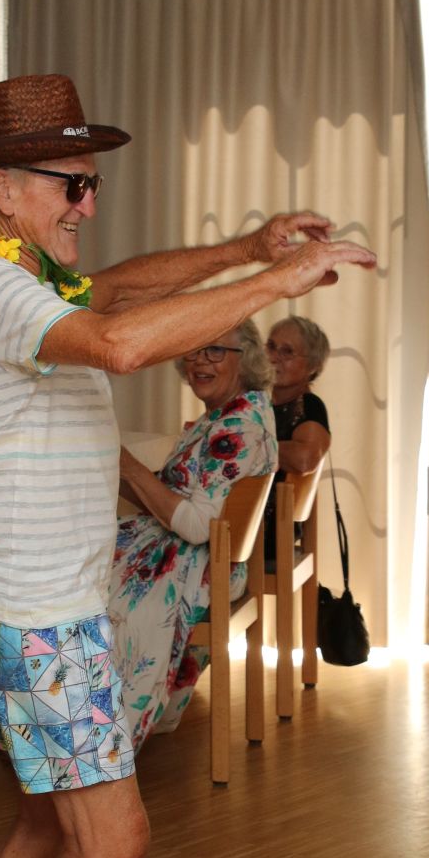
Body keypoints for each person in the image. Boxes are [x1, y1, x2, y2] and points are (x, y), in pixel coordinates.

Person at [0, 72, 375, 858]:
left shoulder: (17, 269)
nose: (88, 203)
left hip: (17, 599)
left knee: (48, 822)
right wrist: (283, 275)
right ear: (1, 187)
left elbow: (122, 289)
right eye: (70, 184)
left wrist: (243, 248)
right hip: (35, 616)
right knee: (115, 841)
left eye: (91, 183)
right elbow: (124, 343)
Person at [110, 321, 276, 751]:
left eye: (215, 351)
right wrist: (109, 467)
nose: (200, 361)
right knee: (80, 560)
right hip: (194, 554)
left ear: (245, 360)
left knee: (80, 591)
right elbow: (169, 501)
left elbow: (198, 526)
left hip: (205, 565)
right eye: (193, 350)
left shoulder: (238, 427)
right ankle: (77, 721)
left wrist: (129, 467)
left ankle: (97, 734)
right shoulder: (224, 415)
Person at [262, 315, 333, 566]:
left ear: (312, 366)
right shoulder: (259, 404)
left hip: (265, 534)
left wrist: (247, 447)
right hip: (245, 527)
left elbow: (304, 459)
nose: (273, 357)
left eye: (287, 351)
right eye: (271, 347)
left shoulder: (310, 406)